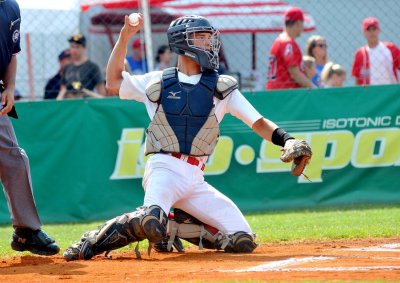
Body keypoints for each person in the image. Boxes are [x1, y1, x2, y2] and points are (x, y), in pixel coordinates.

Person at [63, 14, 312, 261]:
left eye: (209, 38)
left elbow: (258, 122)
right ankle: (93, 240)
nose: (209, 43)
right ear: (182, 42)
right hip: (164, 169)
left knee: (242, 239)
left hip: (195, 178)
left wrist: (287, 140)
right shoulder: (158, 81)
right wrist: (124, 36)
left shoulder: (221, 86)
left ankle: (171, 226)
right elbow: (114, 81)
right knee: (150, 219)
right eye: (201, 37)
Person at [0, 0, 59, 256]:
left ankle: (26, 232)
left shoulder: (10, 7)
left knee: (14, 159)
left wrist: (10, 87)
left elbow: (12, 52)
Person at [266, 7, 313, 90]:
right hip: (285, 94)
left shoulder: (279, 40)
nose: (303, 28)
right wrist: (312, 88)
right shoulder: (287, 43)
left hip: (277, 92)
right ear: (298, 24)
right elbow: (295, 73)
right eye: (303, 23)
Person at [351, 17, 400, 86]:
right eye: (368, 29)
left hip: (390, 92)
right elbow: (357, 78)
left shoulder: (391, 48)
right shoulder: (360, 53)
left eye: (374, 29)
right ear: (364, 32)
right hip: (370, 93)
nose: (372, 32)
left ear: (379, 30)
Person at [57, 33, 106, 99]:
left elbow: (102, 94)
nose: (74, 50)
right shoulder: (67, 67)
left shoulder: (92, 67)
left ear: (84, 48)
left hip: (86, 103)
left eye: (77, 47)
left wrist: (85, 92)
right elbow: (62, 90)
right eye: (72, 46)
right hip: (70, 104)